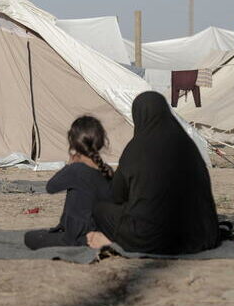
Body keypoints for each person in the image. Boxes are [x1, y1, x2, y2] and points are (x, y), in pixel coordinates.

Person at [87, 91, 220, 255]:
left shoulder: (136, 149)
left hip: (154, 238)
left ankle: (115, 241)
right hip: (200, 236)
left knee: (100, 209)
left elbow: (117, 195)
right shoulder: (188, 145)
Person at [24, 116, 115, 249]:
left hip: (77, 235)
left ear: (74, 143)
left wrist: (69, 164)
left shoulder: (76, 169)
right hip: (99, 229)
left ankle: (82, 241)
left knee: (31, 237)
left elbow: (51, 187)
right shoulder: (107, 170)